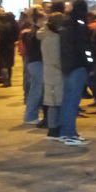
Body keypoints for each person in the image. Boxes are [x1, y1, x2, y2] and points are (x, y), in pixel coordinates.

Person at [59, 0, 91, 146]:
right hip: (77, 65)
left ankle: (65, 132)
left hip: (67, 65)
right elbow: (84, 47)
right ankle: (70, 134)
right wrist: (90, 64)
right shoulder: (79, 25)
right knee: (72, 101)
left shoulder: (66, 24)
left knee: (67, 100)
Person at [38, 13, 65, 141]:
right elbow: (56, 59)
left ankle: (54, 127)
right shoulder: (53, 38)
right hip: (55, 74)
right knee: (55, 102)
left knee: (54, 101)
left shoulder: (47, 35)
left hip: (50, 73)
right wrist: (65, 68)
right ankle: (54, 129)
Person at [21, 11, 46, 125]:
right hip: (37, 63)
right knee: (36, 90)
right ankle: (30, 116)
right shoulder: (36, 33)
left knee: (36, 89)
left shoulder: (31, 32)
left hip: (33, 62)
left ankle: (31, 115)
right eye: (44, 19)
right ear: (39, 20)